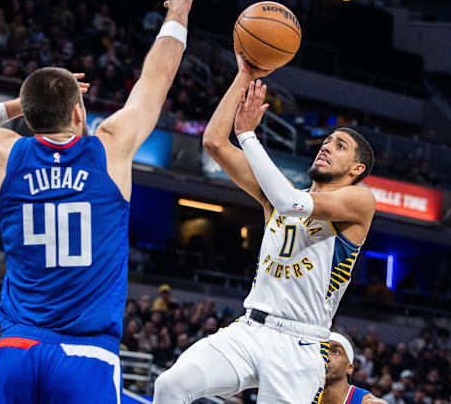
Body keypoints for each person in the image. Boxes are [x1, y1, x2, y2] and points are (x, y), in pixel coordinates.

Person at [0, 0, 193, 402]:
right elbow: (159, 76)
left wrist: (17, 105)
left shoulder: (6, 153)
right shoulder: (111, 147)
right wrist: (179, 10)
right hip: (86, 354)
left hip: (17, 350)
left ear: (29, 119)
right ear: (78, 113)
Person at [154, 51, 376, 403]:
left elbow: (293, 204)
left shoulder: (360, 202)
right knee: (170, 385)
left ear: (357, 170)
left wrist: (248, 135)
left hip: (301, 344)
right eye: (326, 140)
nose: (326, 146)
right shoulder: (276, 197)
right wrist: (243, 74)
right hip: (251, 328)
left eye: (340, 145)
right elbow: (213, 141)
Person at [321, 332, 386, 404]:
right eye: (322, 351)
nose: (325, 357)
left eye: (336, 352)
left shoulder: (369, 402)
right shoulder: (307, 394)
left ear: (349, 368)